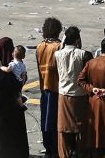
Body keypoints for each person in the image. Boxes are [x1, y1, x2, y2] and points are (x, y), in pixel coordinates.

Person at [56, 27, 92, 158]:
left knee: (63, 130)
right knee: (81, 128)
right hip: (80, 95)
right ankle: (81, 153)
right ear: (78, 39)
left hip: (64, 95)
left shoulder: (57, 54)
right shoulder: (83, 54)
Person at [37, 18, 64, 158]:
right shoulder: (59, 46)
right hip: (56, 87)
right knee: (55, 120)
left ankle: (48, 148)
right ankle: (55, 148)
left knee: (45, 120)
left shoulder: (40, 46)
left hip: (44, 86)